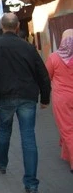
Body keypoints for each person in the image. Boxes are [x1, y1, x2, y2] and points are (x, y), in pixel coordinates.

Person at [0, 13, 51, 193]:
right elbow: (43, 75)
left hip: (5, 97)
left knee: (4, 131)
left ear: (2, 27)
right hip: (27, 97)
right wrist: (45, 98)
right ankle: (31, 184)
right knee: (28, 138)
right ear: (17, 28)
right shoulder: (28, 47)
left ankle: (1, 163)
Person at [46, 29, 73, 173]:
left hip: (62, 98)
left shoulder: (54, 57)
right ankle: (66, 154)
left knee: (67, 129)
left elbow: (47, 76)